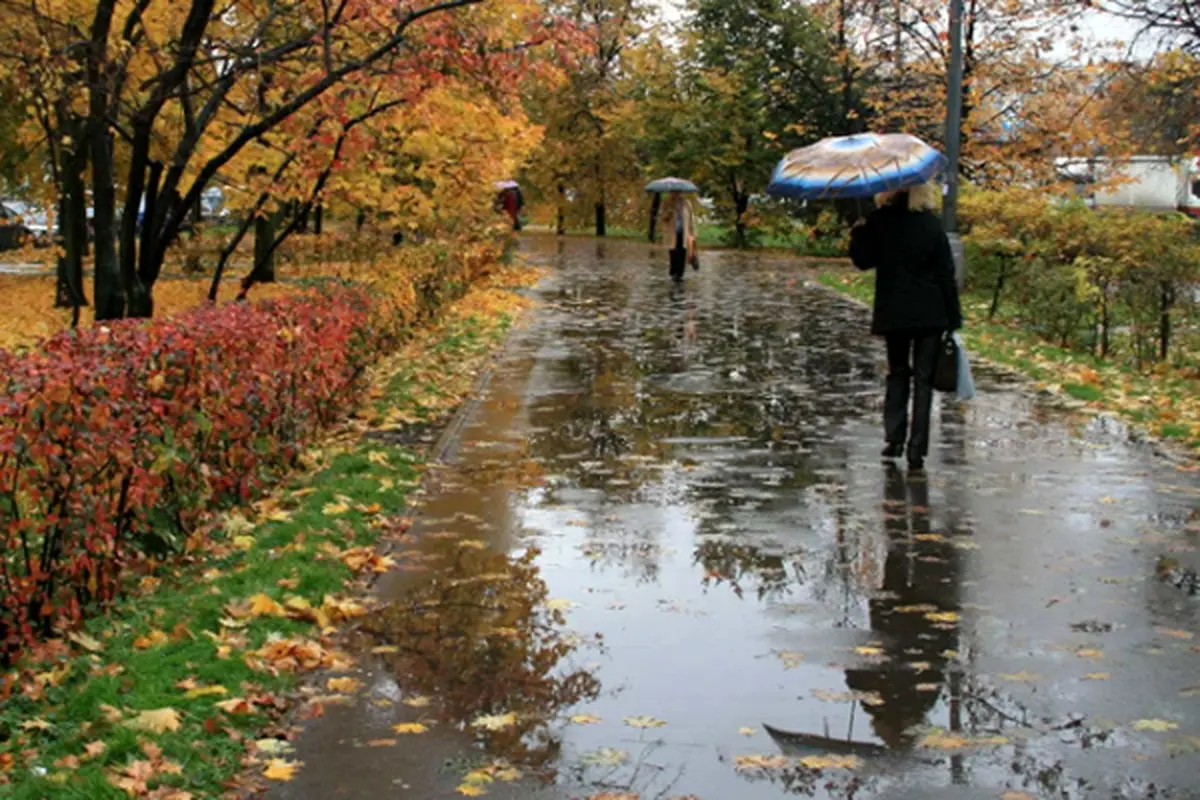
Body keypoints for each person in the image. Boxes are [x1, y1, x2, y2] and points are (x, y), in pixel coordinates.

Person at [849, 182, 962, 470]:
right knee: (923, 379)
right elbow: (945, 274)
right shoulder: (931, 225)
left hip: (895, 312)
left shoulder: (879, 222)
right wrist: (954, 317)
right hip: (931, 313)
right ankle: (917, 449)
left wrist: (859, 233)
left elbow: (863, 261)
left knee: (897, 373)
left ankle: (894, 438)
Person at [656, 191, 698, 280]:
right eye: (674, 192)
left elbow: (691, 219)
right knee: (673, 253)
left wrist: (693, 234)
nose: (677, 194)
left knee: (682, 253)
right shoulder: (667, 202)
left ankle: (680, 274)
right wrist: (670, 211)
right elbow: (663, 218)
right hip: (672, 233)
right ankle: (673, 273)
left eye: (678, 192)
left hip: (684, 233)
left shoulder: (687, 203)